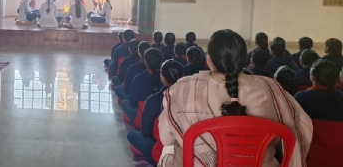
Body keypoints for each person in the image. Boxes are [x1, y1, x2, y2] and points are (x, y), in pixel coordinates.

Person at [158, 29, 312, 166]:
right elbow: (299, 129)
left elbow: (166, 139)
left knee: (170, 149)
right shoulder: (271, 88)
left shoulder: (182, 90)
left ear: (209, 60)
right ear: (244, 59)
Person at [127, 60, 184, 167]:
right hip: (187, 156)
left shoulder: (155, 100)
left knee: (132, 135)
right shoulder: (191, 97)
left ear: (162, 76)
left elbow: (145, 133)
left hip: (162, 156)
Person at [122, 48, 164, 124]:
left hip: (142, 121)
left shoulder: (138, 79)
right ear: (161, 62)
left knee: (125, 102)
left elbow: (133, 104)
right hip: (161, 123)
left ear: (145, 61)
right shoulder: (166, 79)